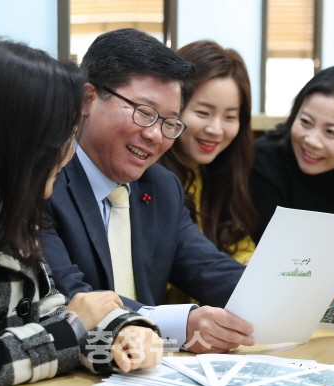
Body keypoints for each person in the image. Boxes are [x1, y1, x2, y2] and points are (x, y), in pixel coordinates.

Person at [41, 28, 254, 355]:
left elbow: (208, 268)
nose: (156, 135)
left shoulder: (161, 185)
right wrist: (179, 324)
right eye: (144, 113)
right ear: (87, 99)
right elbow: (68, 295)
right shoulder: (43, 181)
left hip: (148, 370)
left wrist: (297, 295)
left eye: (170, 123)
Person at [0, 39, 162, 386]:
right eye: (64, 138)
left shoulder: (14, 219)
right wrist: (71, 330)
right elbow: (62, 329)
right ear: (19, 141)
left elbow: (51, 311)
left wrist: (122, 335)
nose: (68, 155)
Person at [250, 66, 334, 243]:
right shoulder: (262, 159)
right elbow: (269, 246)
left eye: (331, 132)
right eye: (306, 122)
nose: (312, 140)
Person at [159, 40, 257, 267]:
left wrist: (249, 264)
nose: (216, 129)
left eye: (230, 117)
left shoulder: (219, 174)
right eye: (203, 113)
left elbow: (239, 245)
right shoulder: (149, 180)